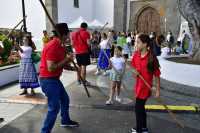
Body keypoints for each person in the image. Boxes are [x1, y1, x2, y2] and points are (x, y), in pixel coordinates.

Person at [39, 23, 79, 133]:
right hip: (48, 80)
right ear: (64, 34)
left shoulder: (61, 46)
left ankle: (65, 120)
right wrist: (67, 59)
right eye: (68, 34)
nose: (69, 37)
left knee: (65, 100)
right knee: (54, 108)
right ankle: (45, 131)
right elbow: (51, 67)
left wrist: (73, 68)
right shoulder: (53, 46)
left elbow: (61, 64)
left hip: (54, 79)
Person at [131, 34, 161, 133]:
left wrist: (157, 90)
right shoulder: (135, 55)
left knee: (138, 109)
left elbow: (157, 75)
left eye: (138, 42)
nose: (136, 44)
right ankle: (143, 128)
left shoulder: (152, 58)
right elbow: (134, 74)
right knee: (141, 108)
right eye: (136, 42)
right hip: (138, 87)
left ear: (144, 44)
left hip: (146, 88)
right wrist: (135, 73)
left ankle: (139, 130)